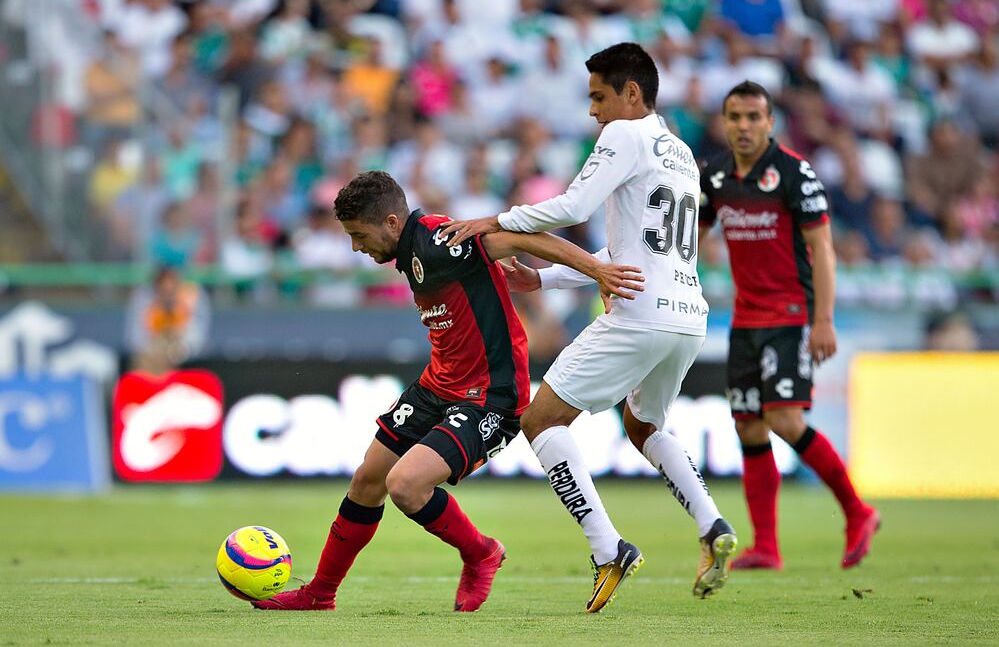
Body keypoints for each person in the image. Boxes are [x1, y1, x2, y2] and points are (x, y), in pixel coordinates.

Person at [253, 171, 643, 612]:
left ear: (392, 223)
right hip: (437, 385)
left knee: (405, 486)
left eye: (359, 235)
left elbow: (522, 237)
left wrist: (596, 270)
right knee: (366, 481)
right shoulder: (407, 250)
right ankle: (319, 594)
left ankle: (481, 553)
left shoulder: (441, 240)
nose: (356, 247)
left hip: (489, 397)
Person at [442, 42, 737, 610]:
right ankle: (711, 524)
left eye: (600, 96)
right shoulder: (677, 151)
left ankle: (608, 549)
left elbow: (573, 206)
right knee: (645, 425)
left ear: (632, 93)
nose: (593, 112)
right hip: (687, 317)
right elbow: (630, 249)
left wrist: (493, 221)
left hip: (640, 314)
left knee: (541, 419)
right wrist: (546, 280)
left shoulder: (624, 135)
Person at [697, 81, 880, 570]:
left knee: (784, 420)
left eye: (754, 117)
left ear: (770, 122)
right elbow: (693, 230)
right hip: (744, 319)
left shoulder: (794, 173)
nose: (743, 126)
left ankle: (858, 511)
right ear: (724, 121)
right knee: (749, 426)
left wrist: (823, 319)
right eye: (735, 116)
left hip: (790, 316)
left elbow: (822, 248)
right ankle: (767, 547)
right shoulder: (714, 176)